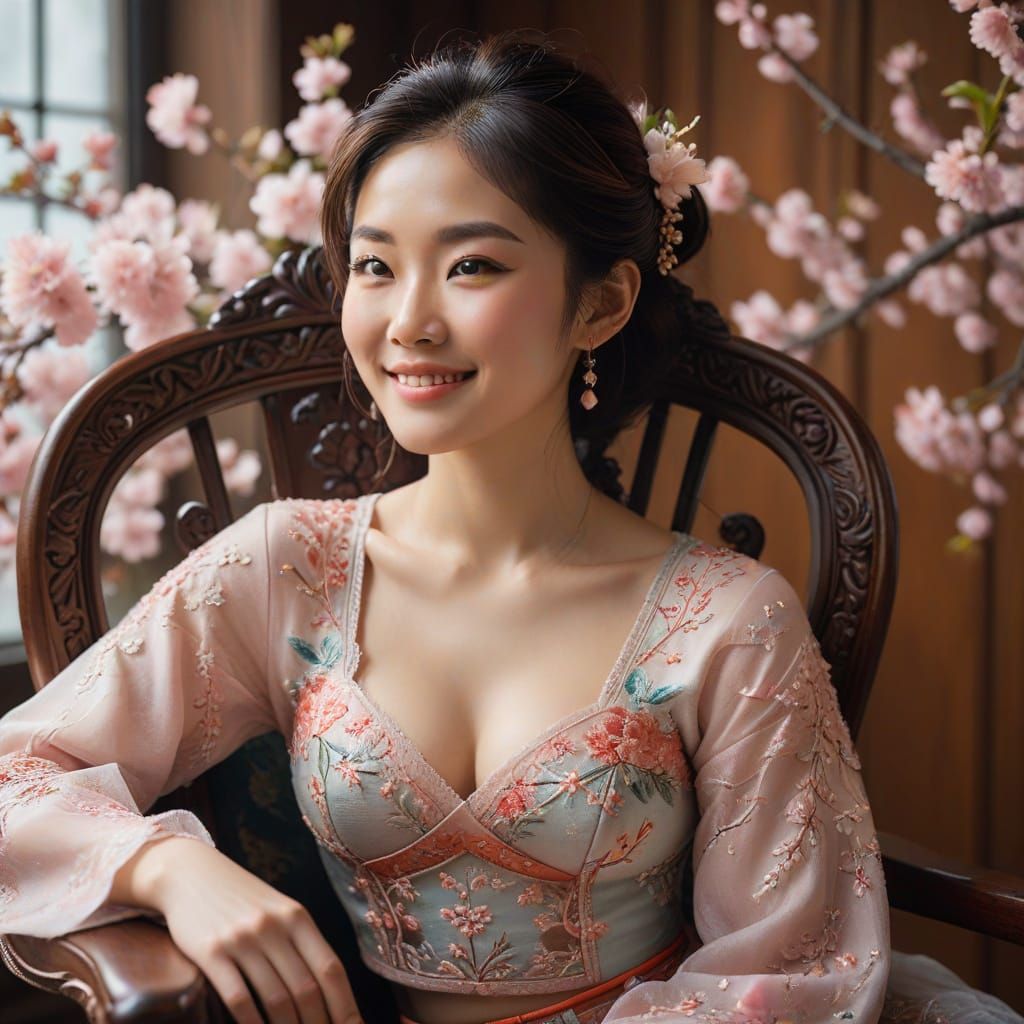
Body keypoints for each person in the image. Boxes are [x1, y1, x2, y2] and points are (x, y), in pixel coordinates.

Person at [1, 28, 1014, 1024]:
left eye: (472, 266)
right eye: (375, 265)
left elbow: (795, 970)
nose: (407, 323)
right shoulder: (290, 566)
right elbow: (17, 774)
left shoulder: (724, 619)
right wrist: (170, 865)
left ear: (602, 301)